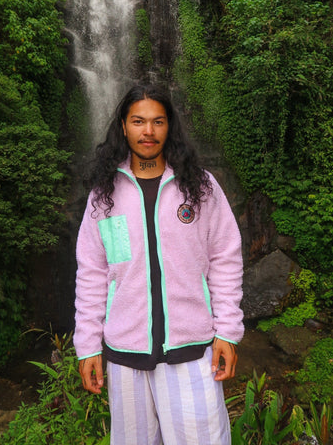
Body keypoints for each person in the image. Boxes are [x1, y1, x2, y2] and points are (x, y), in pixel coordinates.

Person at [74, 83, 244, 445]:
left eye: (158, 121)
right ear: (123, 126)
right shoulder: (103, 194)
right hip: (125, 355)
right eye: (138, 121)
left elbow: (225, 258)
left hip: (192, 351)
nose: (148, 131)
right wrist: (87, 345)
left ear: (170, 127)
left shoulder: (199, 187)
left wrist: (227, 332)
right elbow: (91, 272)